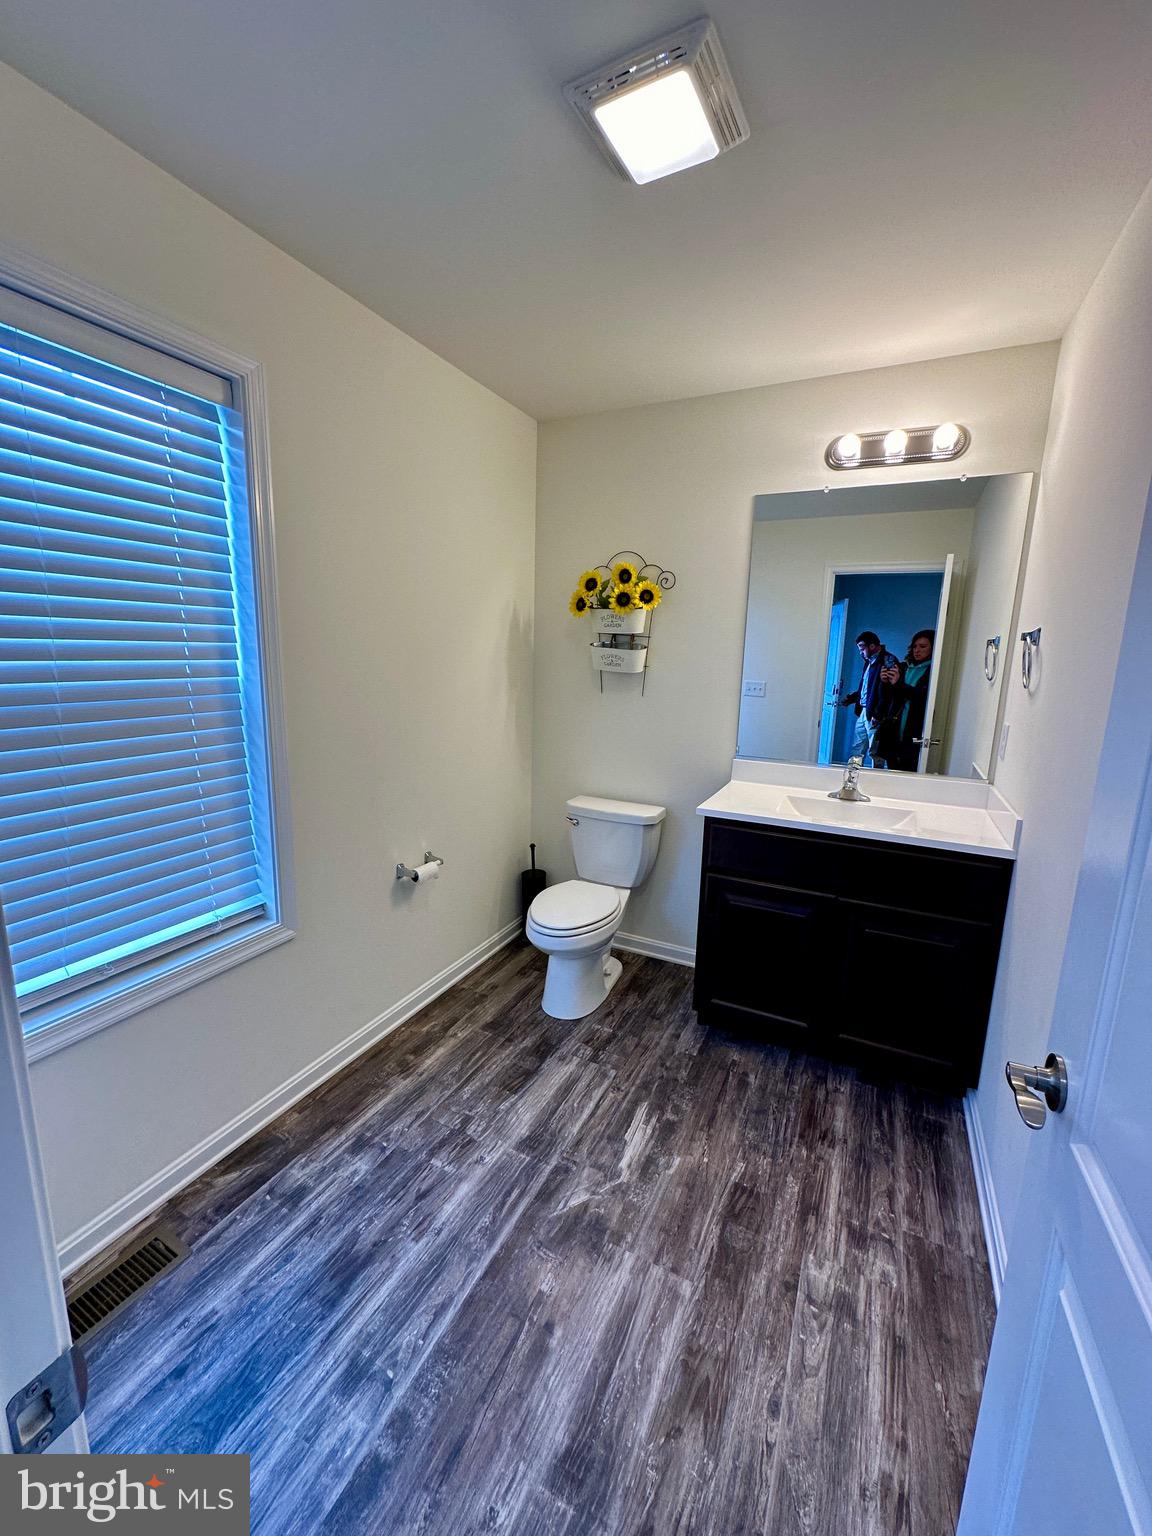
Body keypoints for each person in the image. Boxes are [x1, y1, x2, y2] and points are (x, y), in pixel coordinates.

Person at [841, 630, 900, 768]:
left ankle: (876, 780)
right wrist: (852, 699)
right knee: (857, 748)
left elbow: (888, 692)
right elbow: (868, 688)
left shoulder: (888, 661)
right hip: (864, 711)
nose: (860, 652)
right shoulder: (869, 662)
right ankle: (852, 776)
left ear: (872, 646)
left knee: (875, 751)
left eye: (862, 648)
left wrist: (878, 714)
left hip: (876, 714)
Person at [885, 629, 935, 770]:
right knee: (891, 769)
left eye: (923, 647)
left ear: (933, 648)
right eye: (915, 646)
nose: (917, 650)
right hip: (895, 726)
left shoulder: (933, 671)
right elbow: (893, 696)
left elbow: (921, 697)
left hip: (915, 727)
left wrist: (898, 685)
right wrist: (886, 682)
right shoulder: (904, 667)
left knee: (908, 768)